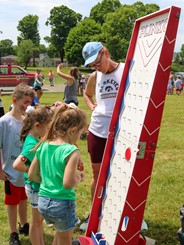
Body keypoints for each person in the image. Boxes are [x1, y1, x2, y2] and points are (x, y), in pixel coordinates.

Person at [80, 41, 125, 231]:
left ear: (105, 53)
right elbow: (87, 94)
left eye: (98, 62)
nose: (97, 68)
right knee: (98, 175)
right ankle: (95, 212)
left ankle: (120, 213)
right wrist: (92, 107)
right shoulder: (94, 76)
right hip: (98, 131)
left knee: (121, 174)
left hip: (122, 131)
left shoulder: (125, 70)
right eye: (92, 66)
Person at [28, 103, 88, 245]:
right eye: (80, 134)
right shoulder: (71, 151)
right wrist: (79, 177)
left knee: (60, 235)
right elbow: (67, 183)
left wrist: (47, 182)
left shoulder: (44, 144)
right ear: (73, 131)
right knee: (65, 240)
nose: (79, 137)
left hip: (43, 202)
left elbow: (31, 175)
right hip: (62, 203)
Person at [0, 84, 35, 245]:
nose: (26, 106)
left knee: (24, 198)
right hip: (10, 172)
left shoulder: (27, 121)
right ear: (14, 100)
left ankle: (23, 225)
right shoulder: (4, 122)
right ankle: (13, 233)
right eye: (24, 102)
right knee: (12, 202)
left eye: (29, 102)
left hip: (24, 171)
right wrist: (0, 170)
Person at [13, 106, 54, 245]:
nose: (48, 131)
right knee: (36, 221)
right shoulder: (31, 144)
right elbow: (17, 164)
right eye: (47, 127)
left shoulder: (35, 138)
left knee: (38, 220)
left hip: (35, 186)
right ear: (38, 125)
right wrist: (31, 172)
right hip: (33, 187)